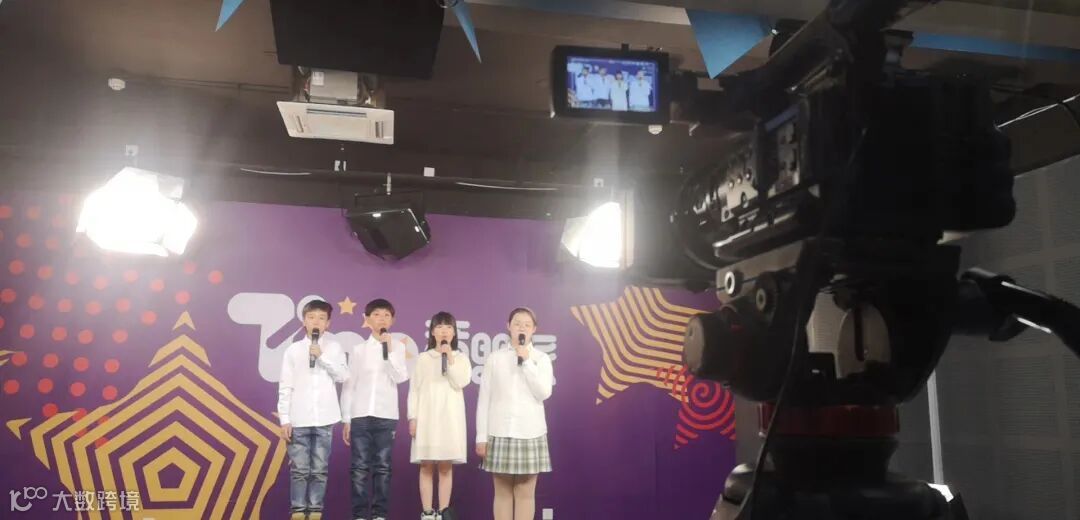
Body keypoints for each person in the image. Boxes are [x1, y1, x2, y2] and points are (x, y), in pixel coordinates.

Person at [475, 307, 554, 520]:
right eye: (517, 323)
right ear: (508, 326)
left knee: (525, 493)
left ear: (534, 329)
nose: (522, 328)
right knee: (502, 494)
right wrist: (481, 437)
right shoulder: (495, 358)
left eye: (527, 325)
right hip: (499, 431)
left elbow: (543, 392)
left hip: (530, 433)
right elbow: (485, 399)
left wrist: (526, 362)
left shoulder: (541, 359)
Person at [278, 299, 349, 520]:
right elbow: (285, 386)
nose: (316, 322)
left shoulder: (334, 348)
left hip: (325, 418)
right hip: (298, 419)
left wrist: (322, 356)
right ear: (304, 322)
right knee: (299, 470)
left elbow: (343, 376)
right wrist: (284, 418)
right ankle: (298, 512)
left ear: (328, 323)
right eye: (311, 317)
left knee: (319, 469)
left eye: (321, 318)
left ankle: (316, 511)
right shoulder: (293, 350)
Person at [341, 299, 409, 520]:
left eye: (387, 315)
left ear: (393, 320)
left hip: (386, 416)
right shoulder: (358, 350)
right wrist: (346, 418)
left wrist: (388, 352)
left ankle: (379, 514)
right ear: (367, 319)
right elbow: (349, 385)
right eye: (377, 315)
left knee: (383, 467)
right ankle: (360, 515)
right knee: (359, 468)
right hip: (360, 415)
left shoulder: (398, 347)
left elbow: (400, 377)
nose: (382, 319)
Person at [408, 312, 472, 520]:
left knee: (445, 467)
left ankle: (444, 512)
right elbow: (414, 390)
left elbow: (461, 381)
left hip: (450, 419)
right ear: (432, 332)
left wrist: (450, 358)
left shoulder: (460, 358)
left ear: (454, 333)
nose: (444, 331)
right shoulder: (423, 358)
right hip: (427, 417)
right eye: (440, 327)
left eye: (449, 327)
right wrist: (413, 417)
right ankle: (427, 512)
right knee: (426, 465)